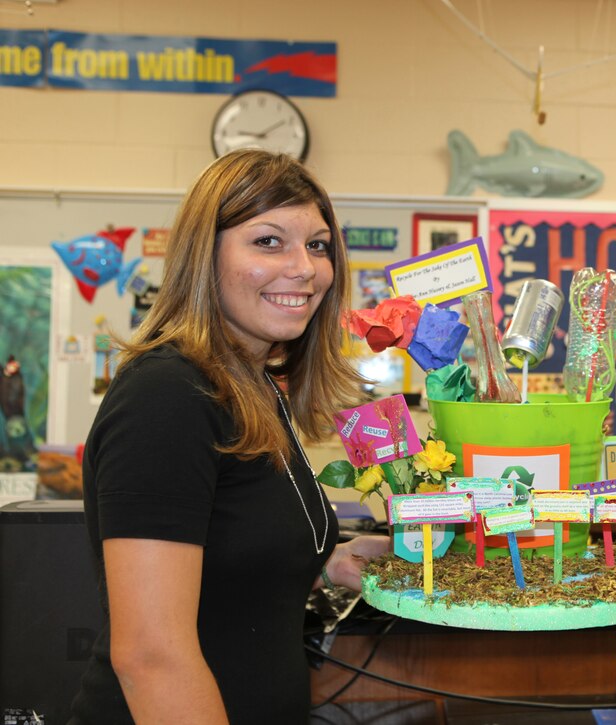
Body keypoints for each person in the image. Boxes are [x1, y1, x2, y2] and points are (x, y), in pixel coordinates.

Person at [69, 149, 388, 724]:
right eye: (268, 241)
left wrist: (332, 561)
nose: (305, 268)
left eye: (317, 245)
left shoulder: (253, 386)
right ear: (204, 257)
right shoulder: (168, 396)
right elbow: (150, 656)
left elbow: (227, 555)